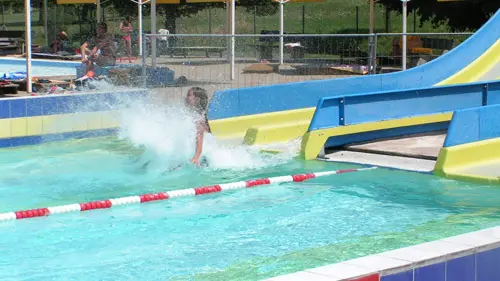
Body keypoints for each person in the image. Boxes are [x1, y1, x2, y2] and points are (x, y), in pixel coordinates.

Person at [185, 87, 211, 167]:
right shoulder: (193, 114)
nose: (186, 98)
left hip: (204, 156)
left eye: (189, 95)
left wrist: (196, 157)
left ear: (196, 100)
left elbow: (200, 138)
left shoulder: (198, 118)